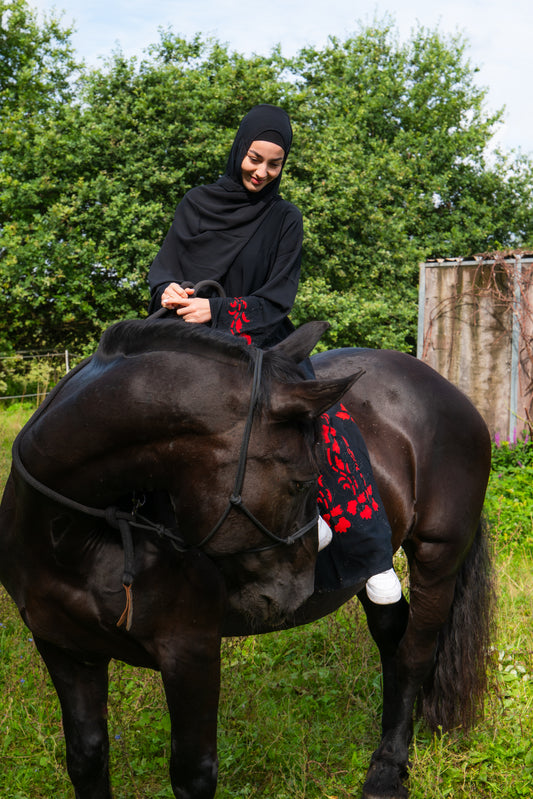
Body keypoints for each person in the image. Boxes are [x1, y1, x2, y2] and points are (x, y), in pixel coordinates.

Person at [147, 104, 401, 605]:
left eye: (274, 164)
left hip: (257, 337)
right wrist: (167, 292)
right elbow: (164, 268)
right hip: (186, 337)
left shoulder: (285, 218)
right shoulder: (195, 203)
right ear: (238, 151)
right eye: (254, 159)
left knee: (322, 419)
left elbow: (278, 299)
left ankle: (357, 543)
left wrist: (218, 311)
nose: (261, 172)